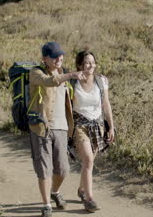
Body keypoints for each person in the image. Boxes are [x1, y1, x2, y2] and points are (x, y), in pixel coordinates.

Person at [28, 41, 87, 217]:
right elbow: (49, 82)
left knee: (62, 169)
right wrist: (70, 75)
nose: (59, 58)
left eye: (60, 54)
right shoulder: (36, 72)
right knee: (44, 168)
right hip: (40, 127)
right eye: (54, 56)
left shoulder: (63, 72)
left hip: (61, 127)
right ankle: (46, 205)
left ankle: (54, 191)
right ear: (45, 58)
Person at [71, 50, 115, 212]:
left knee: (88, 162)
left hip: (97, 126)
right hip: (80, 125)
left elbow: (106, 104)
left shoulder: (101, 81)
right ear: (79, 65)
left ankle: (82, 190)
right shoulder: (72, 82)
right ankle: (89, 199)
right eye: (87, 62)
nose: (91, 65)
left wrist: (111, 126)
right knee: (88, 159)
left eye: (93, 62)